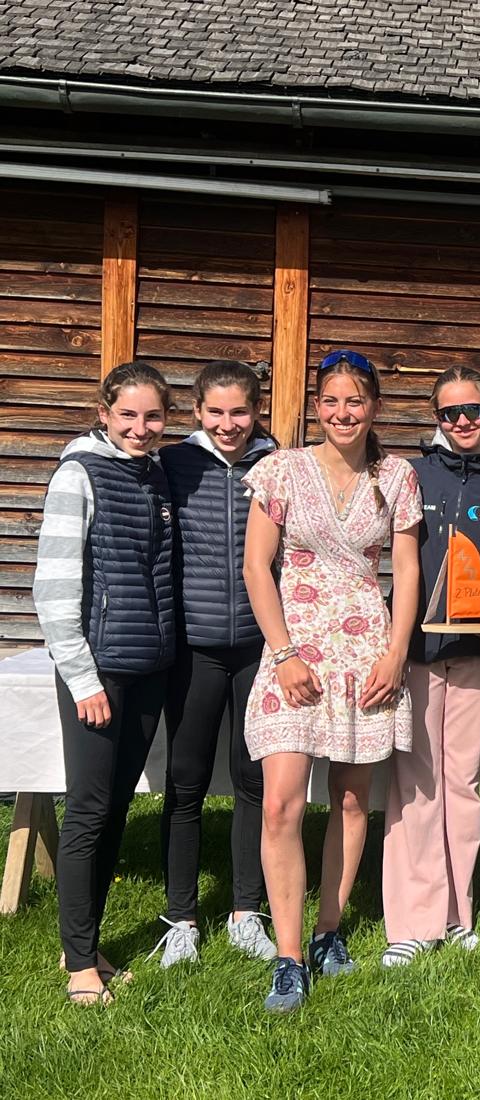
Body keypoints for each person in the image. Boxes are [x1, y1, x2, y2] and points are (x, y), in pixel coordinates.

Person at [241, 349, 422, 1012]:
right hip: (296, 652)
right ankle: (287, 957)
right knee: (282, 801)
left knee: (351, 799)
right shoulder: (281, 470)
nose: (343, 413)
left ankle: (328, 931)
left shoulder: (397, 475)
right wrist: (284, 653)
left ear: (373, 408)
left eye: (356, 401)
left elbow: (406, 570)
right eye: (332, 401)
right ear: (317, 406)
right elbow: (258, 567)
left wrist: (396, 653)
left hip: (368, 653)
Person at [381, 367, 480, 967]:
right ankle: (413, 920)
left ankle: (457, 911)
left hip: (476, 655)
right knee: (415, 781)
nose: (463, 422)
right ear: (435, 419)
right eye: (450, 413)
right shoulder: (410, 476)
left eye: (472, 411)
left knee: (461, 782)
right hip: (414, 651)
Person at [34, 361, 176, 1005]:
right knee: (88, 812)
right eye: (129, 416)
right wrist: (82, 677)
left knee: (117, 809)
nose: (141, 428)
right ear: (104, 413)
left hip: (148, 667)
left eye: (152, 417)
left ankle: (89, 945)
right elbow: (55, 589)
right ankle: (78, 963)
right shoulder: (78, 475)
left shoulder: (155, 476)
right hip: (99, 673)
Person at [149, 361, 278, 968]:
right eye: (217, 412)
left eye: (241, 412)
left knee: (254, 780)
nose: (229, 425)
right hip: (195, 648)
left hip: (258, 647)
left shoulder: (278, 467)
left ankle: (247, 912)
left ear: (258, 412)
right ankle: (181, 916)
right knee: (186, 784)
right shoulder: (172, 464)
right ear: (197, 412)